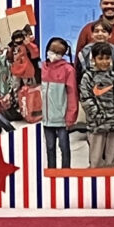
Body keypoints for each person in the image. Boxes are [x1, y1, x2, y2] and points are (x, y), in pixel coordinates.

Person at [36, 39, 79, 169]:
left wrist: (70, 117)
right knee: (49, 147)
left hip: (62, 118)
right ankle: (52, 172)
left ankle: (66, 172)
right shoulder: (41, 67)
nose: (54, 54)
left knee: (64, 146)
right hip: (45, 119)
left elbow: (72, 95)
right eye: (52, 50)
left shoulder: (68, 70)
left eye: (59, 52)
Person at [81, 62, 114, 169]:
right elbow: (85, 98)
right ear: (94, 59)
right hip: (96, 123)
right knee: (95, 158)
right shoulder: (88, 76)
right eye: (101, 58)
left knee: (113, 157)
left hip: (113, 122)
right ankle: (94, 180)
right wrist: (97, 115)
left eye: (107, 58)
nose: (104, 61)